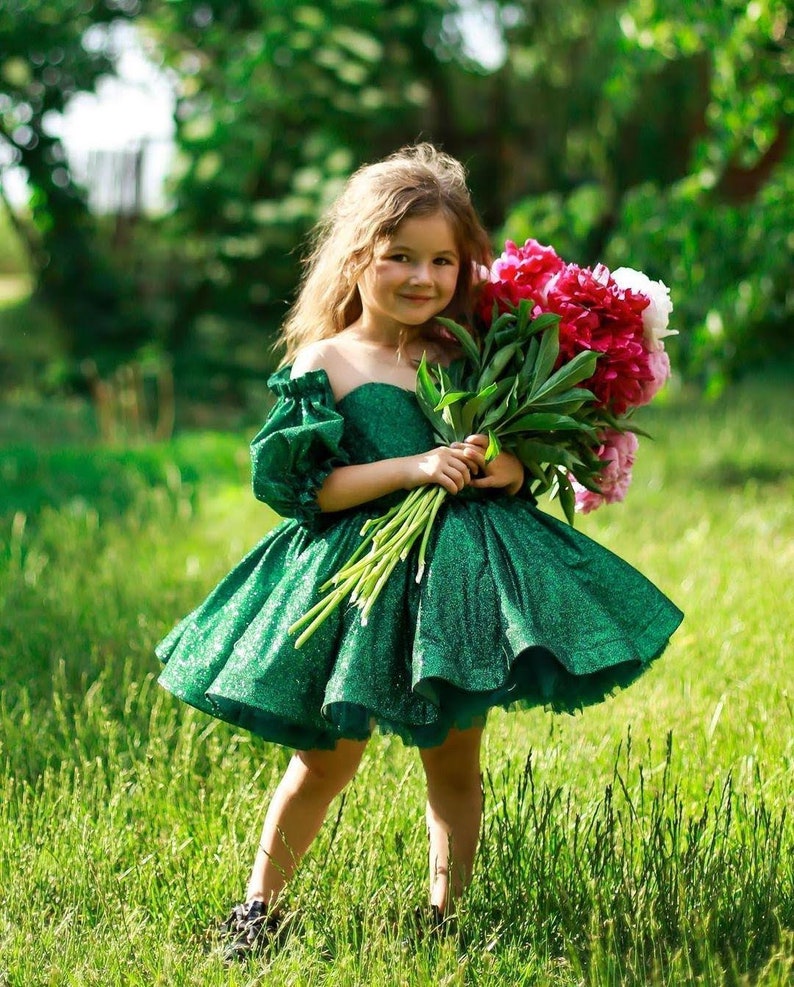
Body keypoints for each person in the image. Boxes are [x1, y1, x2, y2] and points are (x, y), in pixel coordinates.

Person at [156, 143, 683, 960]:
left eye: (441, 260)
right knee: (326, 762)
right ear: (357, 256)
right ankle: (257, 909)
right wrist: (412, 466)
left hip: (456, 585)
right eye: (399, 257)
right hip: (356, 584)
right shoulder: (326, 360)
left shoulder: (464, 351)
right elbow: (309, 488)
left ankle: (446, 916)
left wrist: (506, 469)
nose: (421, 277)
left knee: (454, 763)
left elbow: (509, 458)